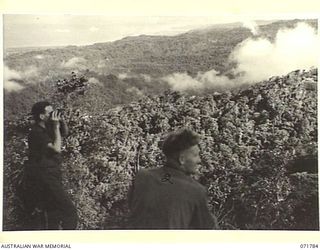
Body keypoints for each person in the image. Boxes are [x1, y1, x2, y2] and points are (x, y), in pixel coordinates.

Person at [128, 128, 219, 229]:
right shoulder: (195, 191)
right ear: (182, 159)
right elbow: (207, 231)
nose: (199, 160)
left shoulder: (142, 176)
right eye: (195, 155)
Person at [22, 101, 78, 230]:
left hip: (52, 173)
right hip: (45, 176)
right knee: (69, 211)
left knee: (54, 213)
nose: (52, 114)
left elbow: (64, 134)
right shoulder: (36, 132)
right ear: (42, 116)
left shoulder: (46, 129)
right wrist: (55, 126)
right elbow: (56, 148)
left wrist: (60, 121)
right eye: (50, 112)